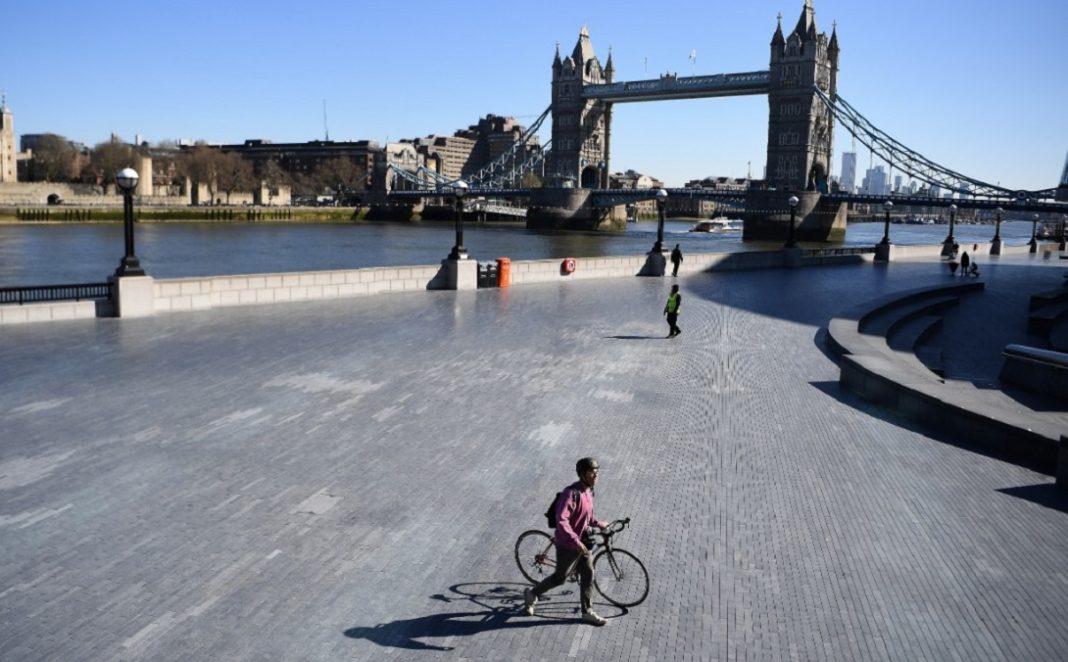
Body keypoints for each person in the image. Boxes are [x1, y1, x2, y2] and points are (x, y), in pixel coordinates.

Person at [524, 458, 608, 626]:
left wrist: (599, 524)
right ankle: (532, 593)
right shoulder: (571, 494)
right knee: (559, 578)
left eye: (597, 470)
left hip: (583, 543)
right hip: (568, 545)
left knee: (588, 573)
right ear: (583, 474)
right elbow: (562, 520)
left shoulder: (589, 492)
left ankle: (587, 611)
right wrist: (575, 540)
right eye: (592, 471)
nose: (596, 473)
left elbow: (588, 517)